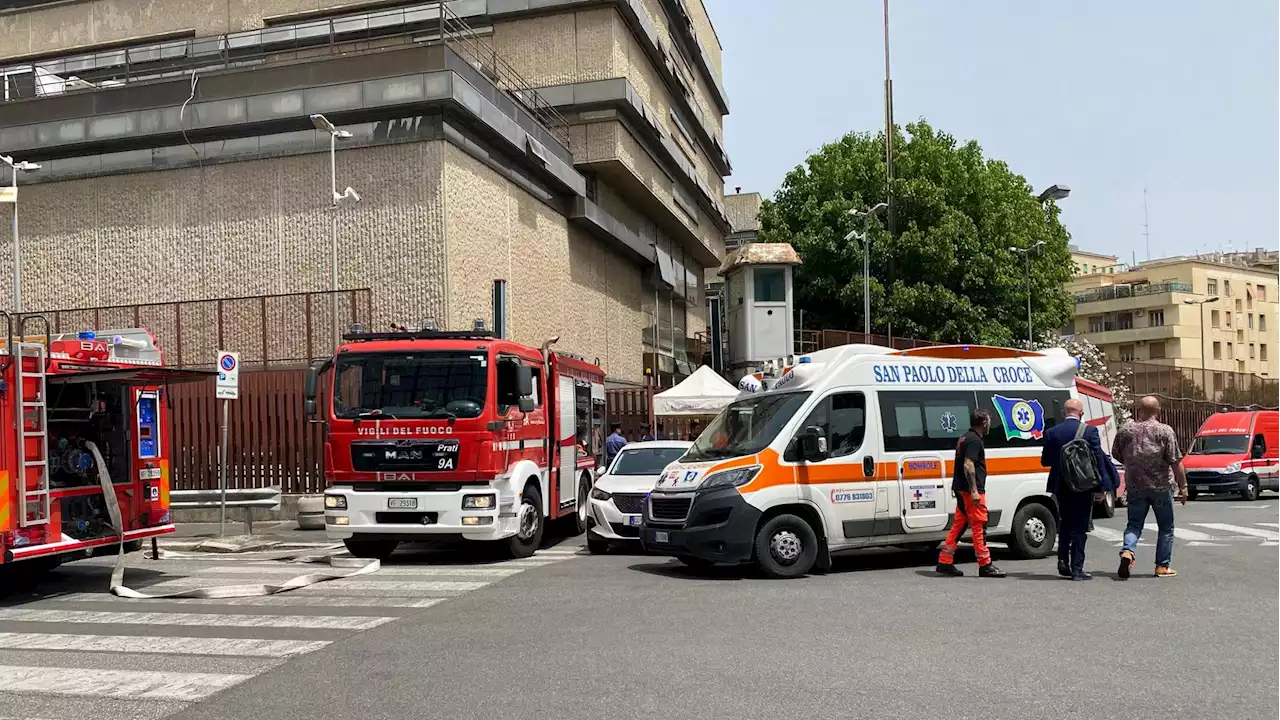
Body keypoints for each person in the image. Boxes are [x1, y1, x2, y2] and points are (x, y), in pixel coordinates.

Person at [1041, 398, 1119, 580]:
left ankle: (1062, 562)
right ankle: (1077, 568)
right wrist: (1102, 488)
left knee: (1065, 522)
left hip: (1060, 485)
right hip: (1083, 486)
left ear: (1064, 412)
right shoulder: (1090, 432)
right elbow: (1098, 460)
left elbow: (1045, 461)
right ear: (1081, 413)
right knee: (1080, 526)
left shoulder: (1052, 432)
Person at [1111, 396, 1187, 579]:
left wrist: (1132, 464)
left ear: (1139, 409)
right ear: (1158, 409)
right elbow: (1175, 460)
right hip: (1160, 486)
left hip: (1135, 486)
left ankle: (1128, 552)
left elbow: (1116, 453)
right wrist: (1183, 486)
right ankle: (1162, 566)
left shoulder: (1126, 430)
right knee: (1166, 527)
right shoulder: (1165, 431)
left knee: (1134, 525)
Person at [936, 410, 1006, 578]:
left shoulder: (964, 437)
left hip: (960, 488)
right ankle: (985, 564)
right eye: (988, 422)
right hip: (971, 490)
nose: (990, 425)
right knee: (979, 525)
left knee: (959, 524)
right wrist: (974, 490)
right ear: (983, 423)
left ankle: (944, 561)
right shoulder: (975, 440)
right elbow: (969, 465)